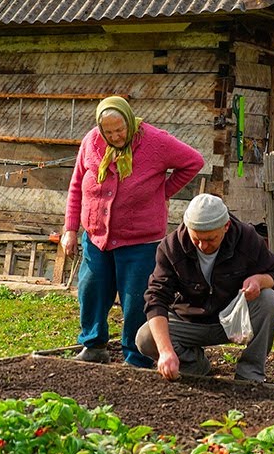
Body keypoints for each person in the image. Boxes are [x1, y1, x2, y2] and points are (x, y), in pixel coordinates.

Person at [62, 96, 204, 367]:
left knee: (136, 298)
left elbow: (193, 161)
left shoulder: (155, 141)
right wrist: (70, 229)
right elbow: (77, 184)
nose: (115, 136)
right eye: (109, 132)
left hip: (140, 240)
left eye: (120, 130)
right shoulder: (91, 143)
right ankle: (93, 345)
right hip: (96, 235)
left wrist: (162, 191)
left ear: (129, 121)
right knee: (91, 290)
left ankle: (136, 356)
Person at [136, 194, 274, 382]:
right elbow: (156, 297)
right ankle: (195, 367)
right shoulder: (171, 247)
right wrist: (166, 351)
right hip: (188, 320)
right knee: (146, 337)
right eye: (196, 239)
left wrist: (260, 280)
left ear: (226, 227)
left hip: (232, 320)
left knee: (269, 300)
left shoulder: (246, 238)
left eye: (210, 239)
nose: (202, 245)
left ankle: (249, 375)